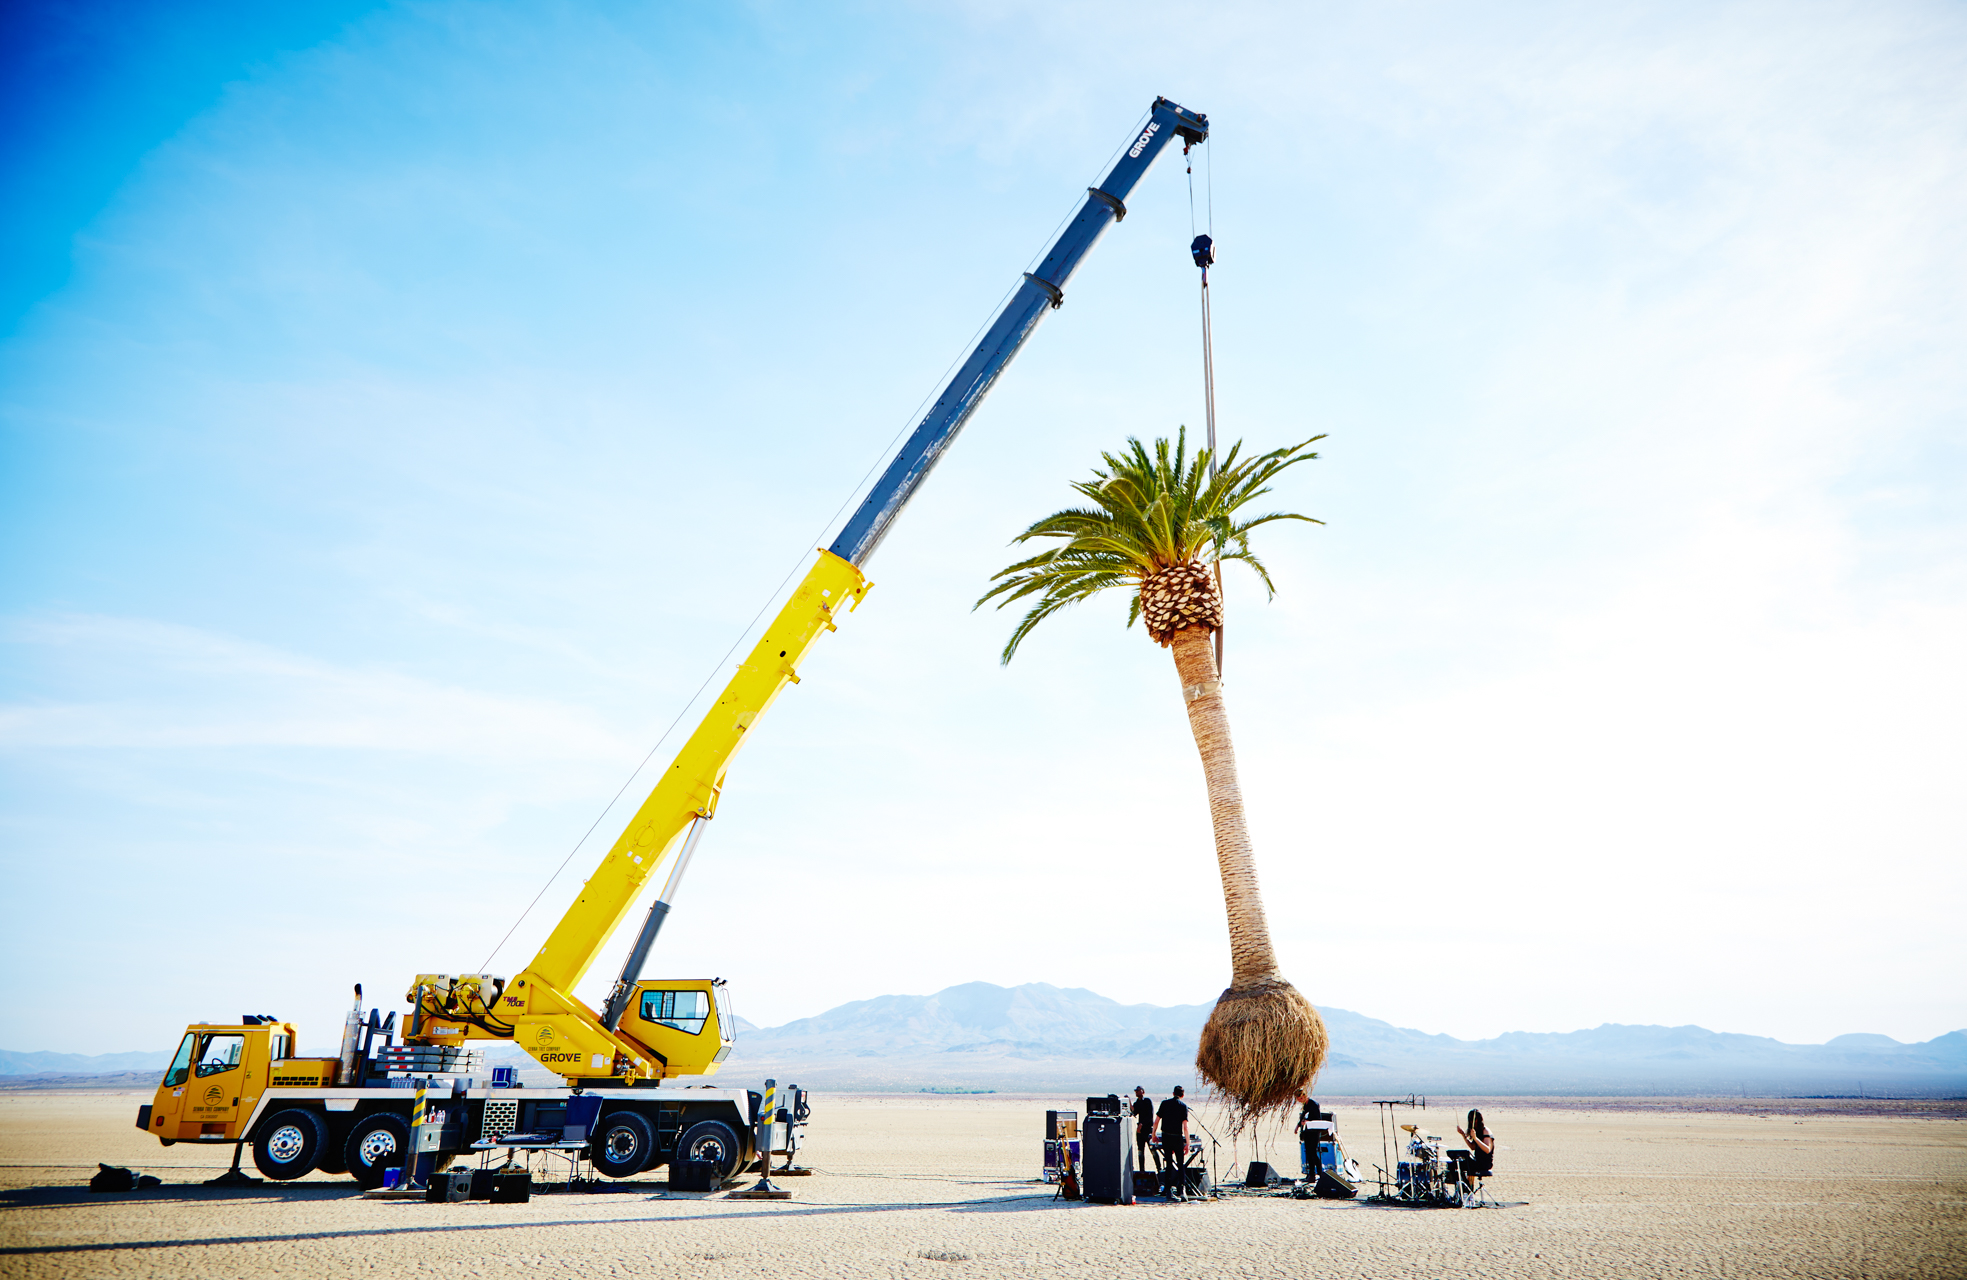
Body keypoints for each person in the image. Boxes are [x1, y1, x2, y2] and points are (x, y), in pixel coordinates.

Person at [1151, 1084, 1191, 1184]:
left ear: (1173, 1094)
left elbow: (1156, 1121)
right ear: (1183, 1095)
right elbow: (1185, 1127)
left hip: (1166, 1137)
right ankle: (1182, 1189)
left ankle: (1168, 1190)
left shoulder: (1164, 1103)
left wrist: (1153, 1134)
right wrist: (1187, 1143)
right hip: (1177, 1137)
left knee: (1168, 1163)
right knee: (1180, 1164)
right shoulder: (1183, 1106)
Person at [1456, 1109, 1495, 1177]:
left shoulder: (1485, 1131)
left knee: (1463, 1165)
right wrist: (1463, 1135)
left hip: (1485, 1163)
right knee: (1457, 1164)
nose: (1472, 1122)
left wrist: (1475, 1138)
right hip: (1477, 1160)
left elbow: (1487, 1150)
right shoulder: (1476, 1131)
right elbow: (1473, 1147)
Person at [1129, 1086, 1155, 1171]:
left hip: (1148, 1129)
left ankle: (1159, 1168)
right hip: (1140, 1131)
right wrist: (1129, 1103)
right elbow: (1134, 1112)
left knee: (1153, 1150)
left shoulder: (1147, 1101)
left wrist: (1141, 1124)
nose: (1137, 1093)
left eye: (1138, 1091)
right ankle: (1142, 1170)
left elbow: (1150, 1116)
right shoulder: (1137, 1102)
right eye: (1136, 1091)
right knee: (1140, 1151)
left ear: (1143, 1092)